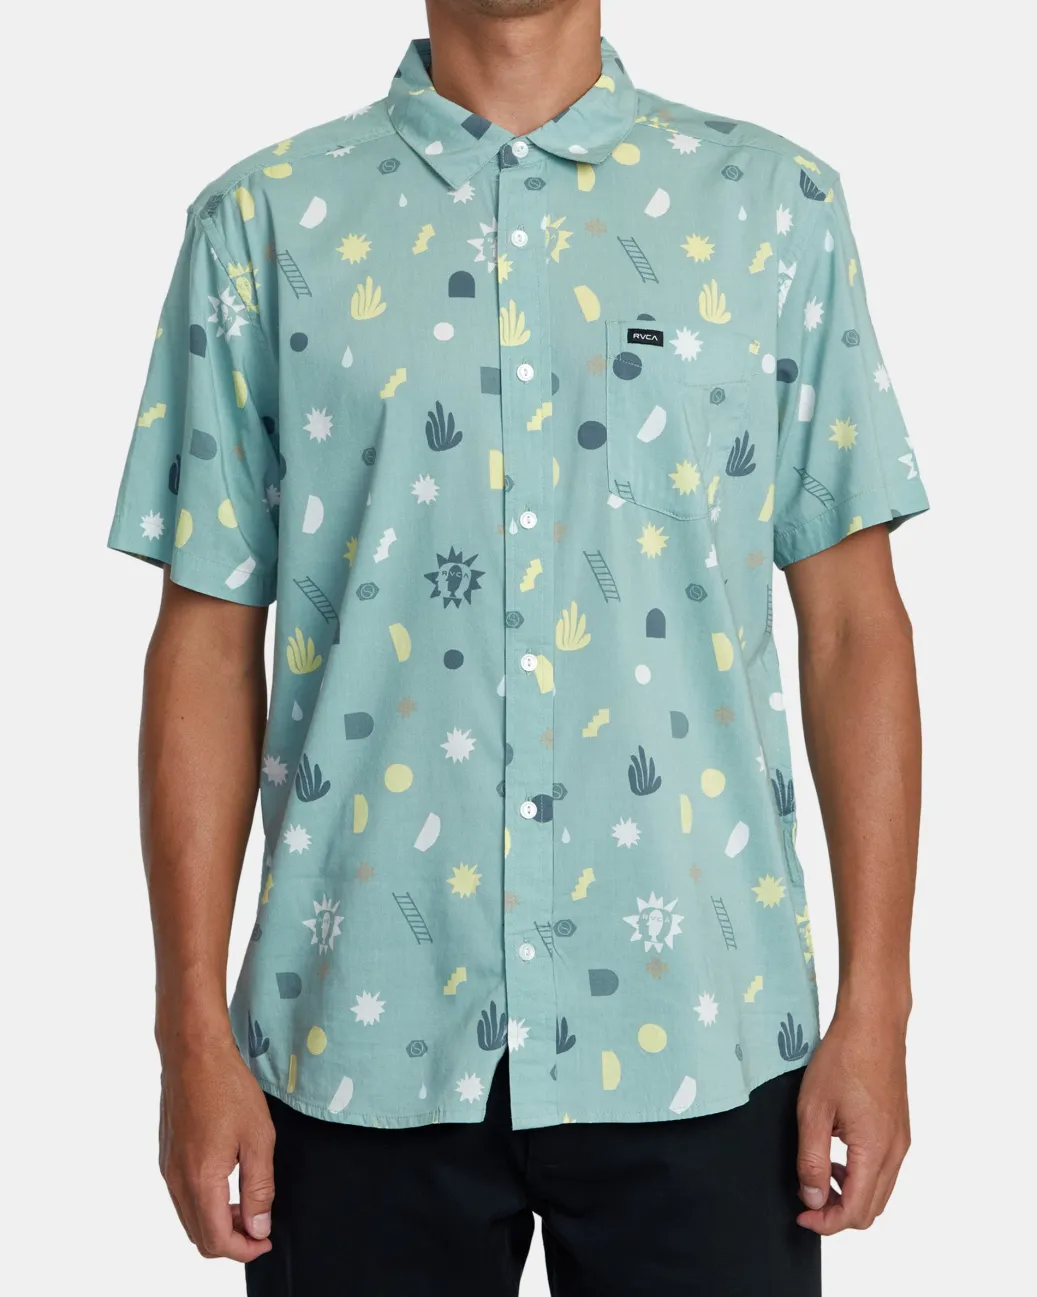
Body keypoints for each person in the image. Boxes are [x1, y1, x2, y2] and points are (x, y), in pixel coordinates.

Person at [107, 1, 928, 1292]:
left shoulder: (775, 210)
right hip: (354, 1038)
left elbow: (852, 629)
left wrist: (879, 1006)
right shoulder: (262, 226)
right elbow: (207, 644)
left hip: (701, 1026)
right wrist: (188, 1031)